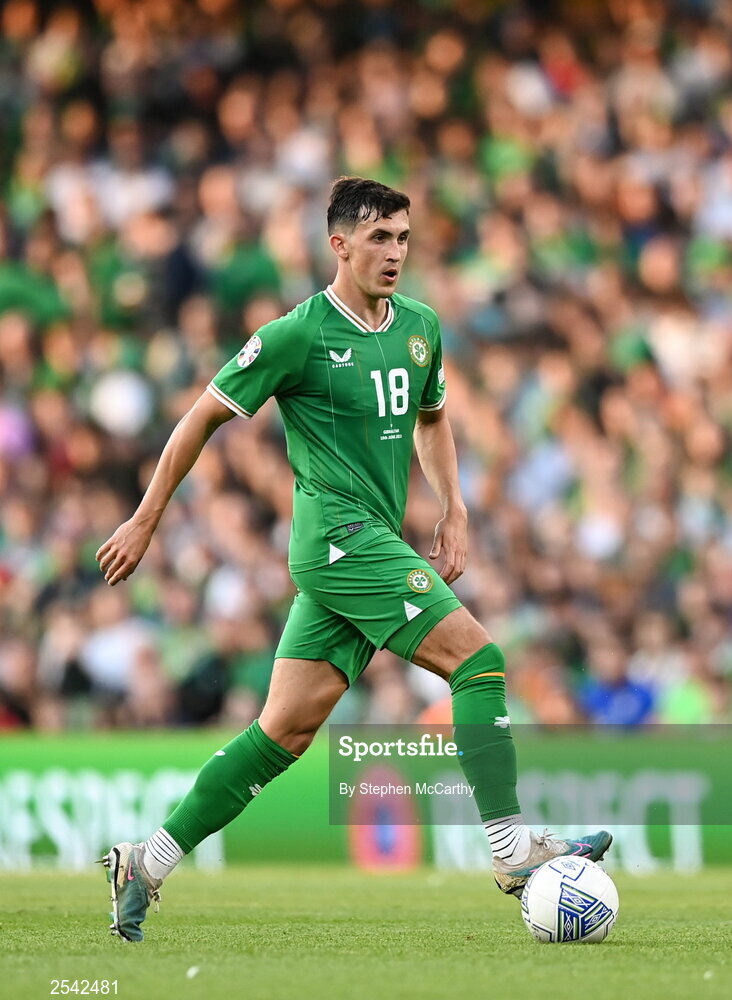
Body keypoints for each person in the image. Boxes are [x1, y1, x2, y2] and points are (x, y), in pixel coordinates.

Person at [96, 177, 611, 942]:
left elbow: (431, 420)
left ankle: (147, 860)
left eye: (403, 237)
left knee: (282, 735)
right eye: (379, 238)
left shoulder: (421, 327)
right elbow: (201, 415)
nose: (395, 252)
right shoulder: (295, 336)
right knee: (479, 660)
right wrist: (145, 518)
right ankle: (511, 850)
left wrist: (454, 507)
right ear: (339, 245)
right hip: (337, 541)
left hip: (373, 538)